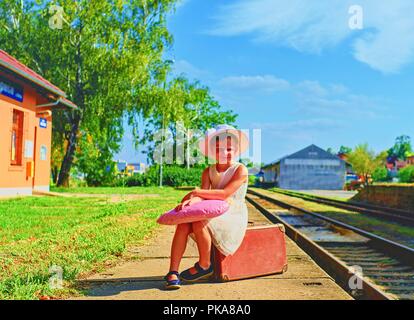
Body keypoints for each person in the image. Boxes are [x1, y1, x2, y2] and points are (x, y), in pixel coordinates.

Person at [164, 124, 249, 290]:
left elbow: (224, 194)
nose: (224, 153)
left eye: (229, 149)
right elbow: (204, 195)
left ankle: (205, 264)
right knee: (184, 223)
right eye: (218, 149)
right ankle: (172, 270)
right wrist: (194, 200)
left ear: (237, 149)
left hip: (232, 212)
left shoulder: (240, 170)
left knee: (199, 221)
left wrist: (197, 192)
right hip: (214, 208)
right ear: (212, 151)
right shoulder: (208, 171)